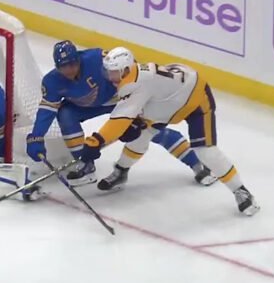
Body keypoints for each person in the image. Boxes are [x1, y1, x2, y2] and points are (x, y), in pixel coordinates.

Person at [76, 47, 259, 215]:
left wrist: (96, 141)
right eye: (107, 71)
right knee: (140, 137)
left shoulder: (134, 84)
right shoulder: (133, 76)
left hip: (194, 99)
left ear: (125, 69)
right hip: (167, 104)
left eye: (113, 72)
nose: (109, 76)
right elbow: (129, 112)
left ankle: (241, 191)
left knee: (205, 151)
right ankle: (121, 171)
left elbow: (119, 119)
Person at [26, 40, 216, 187]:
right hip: (86, 107)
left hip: (122, 100)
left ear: (78, 58)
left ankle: (196, 163)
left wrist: (138, 98)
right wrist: (36, 135)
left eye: (72, 64)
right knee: (65, 114)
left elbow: (131, 71)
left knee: (151, 131)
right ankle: (85, 165)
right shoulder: (52, 81)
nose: (68, 70)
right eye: (63, 66)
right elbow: (47, 109)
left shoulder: (97, 59)